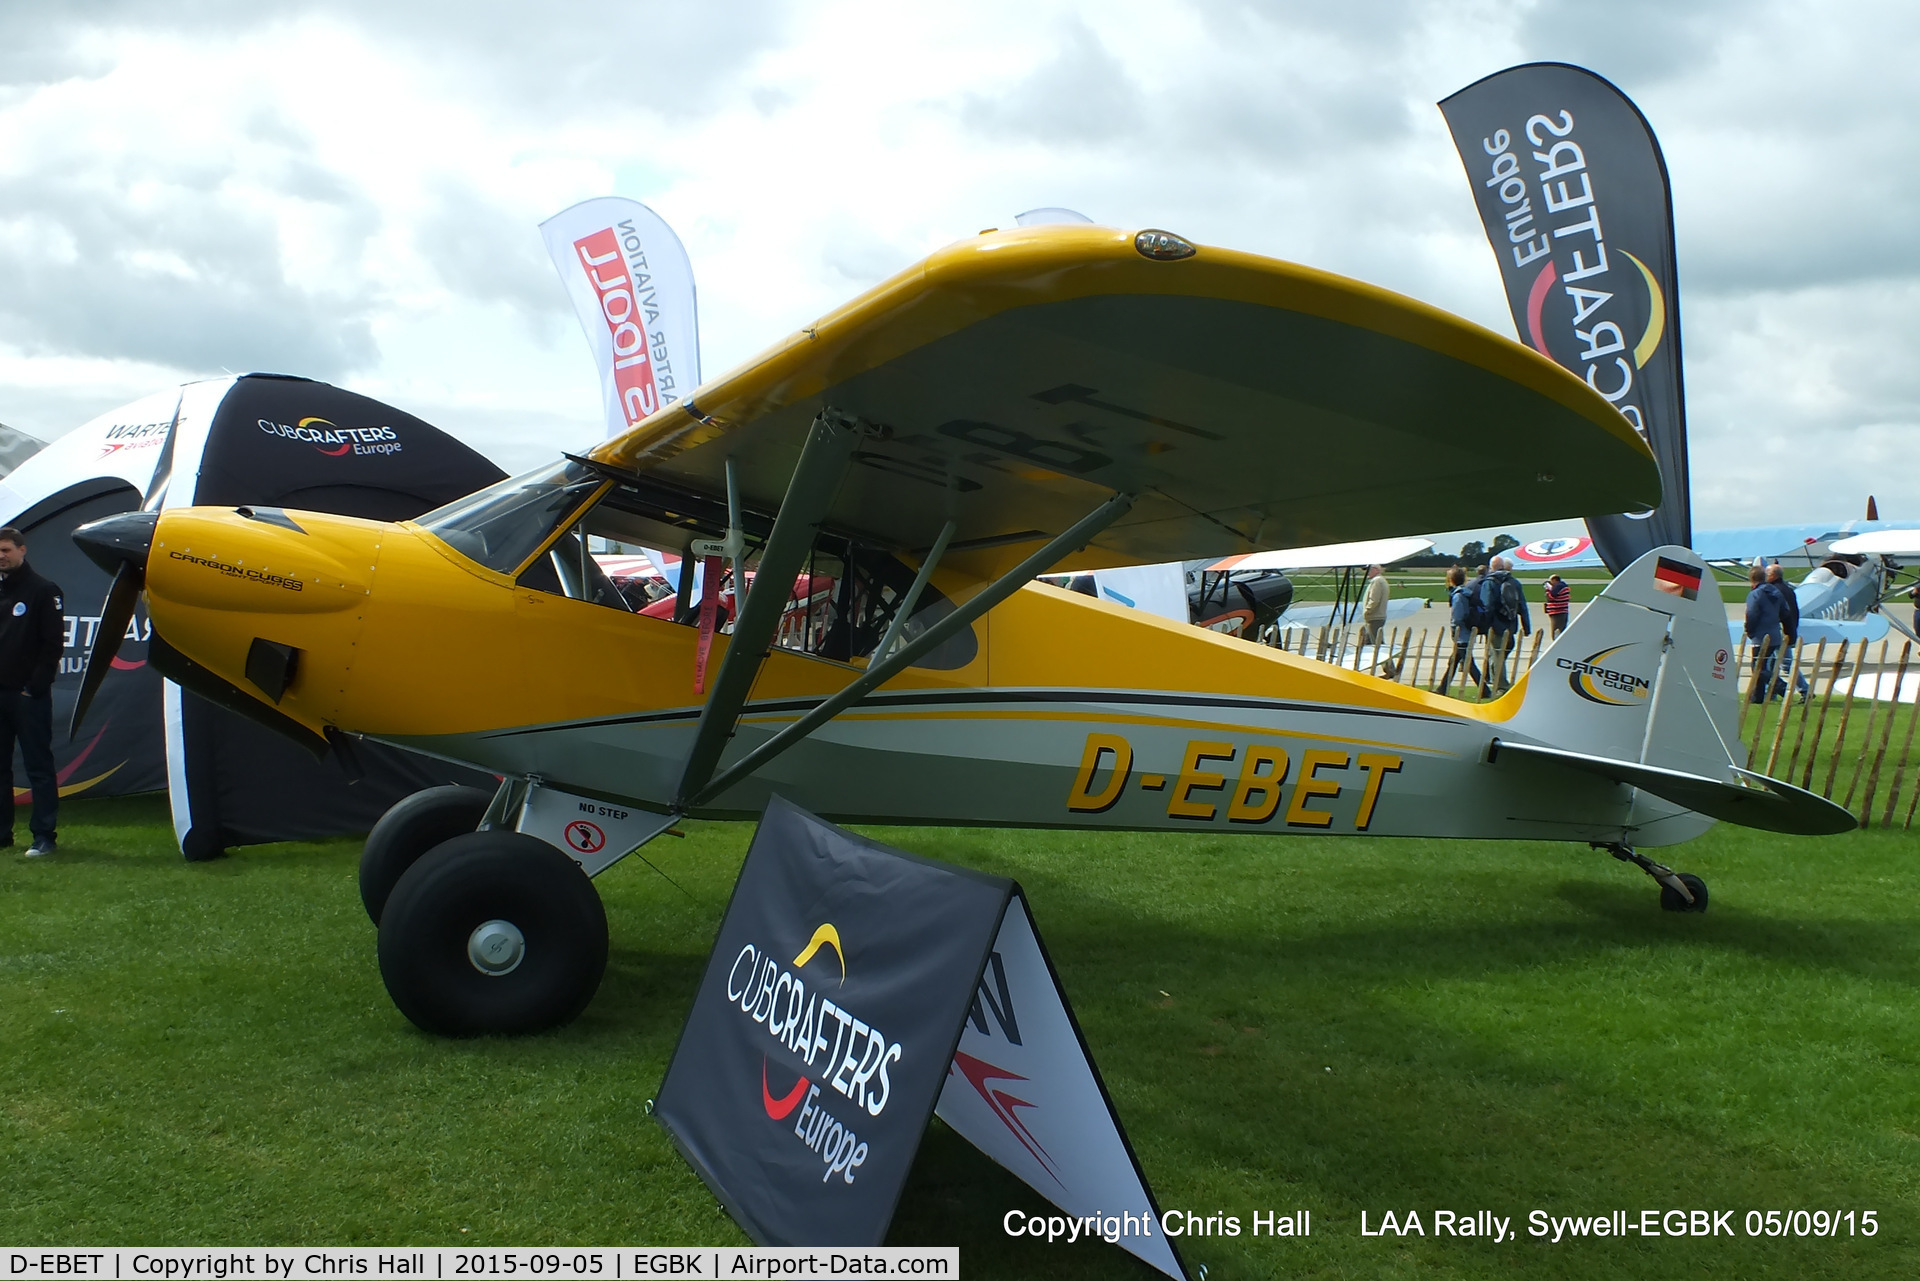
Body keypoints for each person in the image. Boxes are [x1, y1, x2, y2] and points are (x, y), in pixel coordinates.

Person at [0, 527, 65, 856]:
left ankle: (43, 836)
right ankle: (2, 834)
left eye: (7, 549)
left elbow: (52, 645)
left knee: (38, 766)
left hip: (27, 697)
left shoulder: (43, 590)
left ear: (22, 550)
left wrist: (34, 687)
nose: (1, 556)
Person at [1479, 555, 1531, 697]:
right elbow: (1522, 605)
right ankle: (1495, 679)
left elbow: (1487, 606)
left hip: (1495, 626)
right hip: (1510, 624)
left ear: (1491, 567)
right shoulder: (1514, 582)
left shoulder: (1489, 582)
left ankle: (1501, 686)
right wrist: (1526, 626)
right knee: (1499, 654)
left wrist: (1485, 625)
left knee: (1496, 655)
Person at [1436, 565, 1483, 696]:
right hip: (1465, 633)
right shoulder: (1465, 592)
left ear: (1451, 580)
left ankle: (1485, 690)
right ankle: (1442, 688)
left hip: (1462, 634)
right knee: (1454, 662)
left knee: (1468, 664)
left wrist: (1453, 629)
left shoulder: (1458, 596)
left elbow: (1457, 617)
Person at [1765, 563, 1809, 701]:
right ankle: (1771, 693)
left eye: (1768, 574)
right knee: (1772, 663)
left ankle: (1805, 690)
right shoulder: (1788, 590)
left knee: (1785, 664)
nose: (1766, 576)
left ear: (1773, 575)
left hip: (1780, 632)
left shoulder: (1773, 591)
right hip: (1788, 631)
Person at [1744, 565, 1784, 705]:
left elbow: (1752, 613)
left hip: (1760, 636)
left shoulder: (1755, 594)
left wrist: (1749, 630)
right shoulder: (1775, 591)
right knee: (1761, 665)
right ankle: (1757, 697)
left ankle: (1780, 686)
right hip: (1774, 634)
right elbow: (1785, 611)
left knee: (1757, 667)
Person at [1358, 564, 1392, 672]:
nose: (1367, 572)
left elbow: (1374, 600)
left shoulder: (1377, 582)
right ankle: (1358, 667)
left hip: (1374, 617)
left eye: (1369, 570)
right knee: (1366, 642)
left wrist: (1367, 612)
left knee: (1378, 644)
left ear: (1375, 570)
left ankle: (1390, 669)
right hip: (1376, 616)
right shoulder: (1381, 581)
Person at [1543, 572, 1571, 638]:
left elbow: (1552, 596)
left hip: (1557, 612)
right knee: (1560, 630)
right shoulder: (1564, 587)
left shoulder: (1559, 587)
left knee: (1556, 632)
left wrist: (1547, 590)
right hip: (1560, 612)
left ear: (1555, 580)